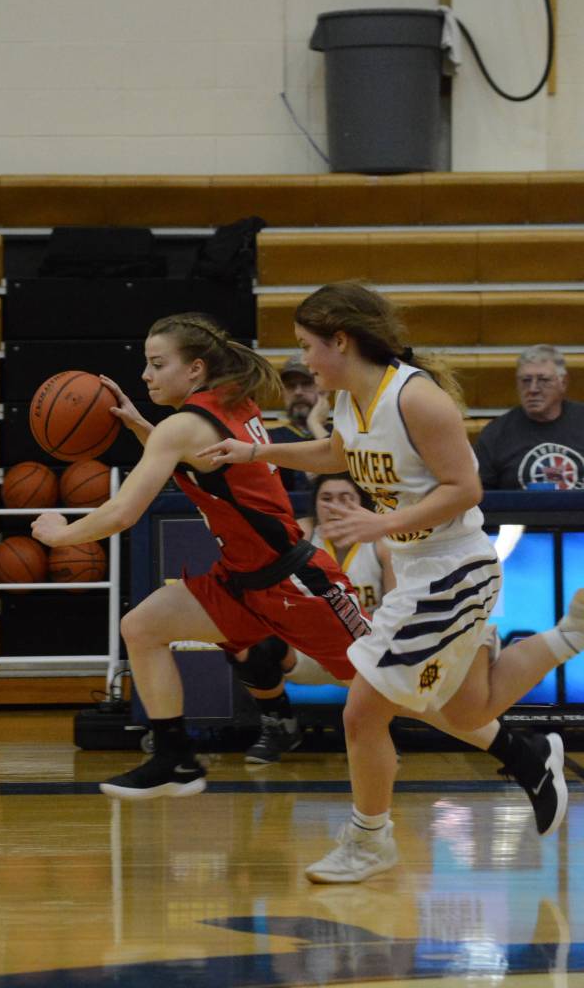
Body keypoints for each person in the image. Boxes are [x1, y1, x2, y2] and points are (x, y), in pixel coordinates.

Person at [200, 281, 584, 882]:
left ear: (342, 340)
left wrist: (383, 520)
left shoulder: (419, 399)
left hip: (454, 570)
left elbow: (467, 489)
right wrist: (257, 455)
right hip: (419, 572)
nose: (303, 360)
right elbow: (337, 454)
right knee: (465, 708)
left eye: (307, 346)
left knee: (362, 710)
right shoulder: (350, 400)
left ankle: (370, 839)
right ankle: (565, 650)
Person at [31, 312, 370, 801]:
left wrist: (61, 535)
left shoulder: (184, 426)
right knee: (142, 628)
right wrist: (145, 429)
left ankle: (511, 748)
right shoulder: (232, 402)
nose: (146, 375)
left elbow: (124, 512)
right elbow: (202, 460)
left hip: (295, 581)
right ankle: (175, 759)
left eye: (156, 363)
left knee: (391, 687)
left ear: (193, 370)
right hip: (242, 580)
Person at [239, 472, 396, 764]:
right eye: (326, 498)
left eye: (345, 498)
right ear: (314, 504)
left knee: (395, 641)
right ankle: (279, 725)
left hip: (362, 658)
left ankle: (378, 733)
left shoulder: (380, 544)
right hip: (305, 653)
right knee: (245, 638)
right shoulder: (299, 536)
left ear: (362, 503)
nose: (335, 506)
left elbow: (395, 611)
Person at [474, 344, 584, 489]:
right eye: (525, 381)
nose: (533, 389)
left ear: (563, 383)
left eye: (543, 380)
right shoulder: (496, 434)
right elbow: (480, 497)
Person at [268, 354, 332, 493]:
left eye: (306, 383)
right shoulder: (269, 438)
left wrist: (315, 424)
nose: (298, 392)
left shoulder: (342, 432)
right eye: (291, 386)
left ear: (323, 390)